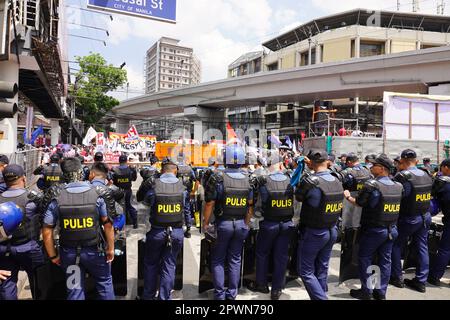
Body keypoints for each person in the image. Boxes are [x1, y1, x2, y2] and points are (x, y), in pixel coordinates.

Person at [42, 157, 115, 300]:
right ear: (82, 171)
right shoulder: (97, 193)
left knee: (74, 290)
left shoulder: (56, 196)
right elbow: (107, 224)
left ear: (63, 175)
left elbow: (46, 230)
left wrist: (53, 255)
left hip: (69, 254)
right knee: (104, 283)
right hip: (96, 252)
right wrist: (111, 248)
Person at [344, 154, 403, 300]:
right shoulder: (398, 186)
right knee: (385, 261)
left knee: (365, 258)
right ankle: (381, 292)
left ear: (381, 169)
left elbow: (360, 202)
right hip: (391, 229)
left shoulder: (372, 185)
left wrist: (347, 196)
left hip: (374, 230)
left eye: (374, 165)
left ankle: (367, 291)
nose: (371, 167)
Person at [203, 145, 254, 300]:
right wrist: (246, 223)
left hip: (223, 224)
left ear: (225, 160)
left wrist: (205, 224)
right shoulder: (249, 178)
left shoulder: (217, 177)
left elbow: (210, 203)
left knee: (218, 259)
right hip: (240, 224)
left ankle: (219, 294)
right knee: (235, 259)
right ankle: (232, 294)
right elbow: (250, 205)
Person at [295, 149, 344, 300]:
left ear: (310, 162)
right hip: (331, 230)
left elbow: (298, 196)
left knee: (306, 271)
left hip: (315, 232)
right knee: (322, 268)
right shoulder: (336, 179)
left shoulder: (311, 182)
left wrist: (302, 169)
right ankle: (321, 294)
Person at [139, 158, 191, 300]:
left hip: (156, 231)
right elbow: (187, 211)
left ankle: (148, 296)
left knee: (151, 264)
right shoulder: (183, 188)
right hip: (176, 232)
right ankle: (164, 297)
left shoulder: (154, 187)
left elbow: (144, 208)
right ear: (175, 171)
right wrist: (188, 229)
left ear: (162, 171)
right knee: (169, 265)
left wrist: (143, 231)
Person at [247, 155, 295, 300]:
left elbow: (259, 205)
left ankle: (261, 284)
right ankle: (277, 289)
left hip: (269, 223)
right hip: (287, 223)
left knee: (262, 253)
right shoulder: (290, 180)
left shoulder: (264, 182)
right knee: (281, 256)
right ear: (280, 165)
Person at [390, 149, 432, 293]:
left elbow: (398, 196)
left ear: (402, 161)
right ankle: (421, 281)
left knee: (395, 245)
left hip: (409, 217)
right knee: (422, 247)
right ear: (416, 161)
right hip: (425, 216)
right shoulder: (426, 174)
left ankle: (397, 277)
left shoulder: (402, 176)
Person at [0, 165, 44, 300]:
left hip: (3, 249)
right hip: (29, 247)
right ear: (23, 178)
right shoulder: (32, 198)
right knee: (40, 283)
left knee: (7, 287)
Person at [428, 159, 450, 286]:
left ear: (446, 167)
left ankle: (435, 277)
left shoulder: (443, 183)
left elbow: (433, 204)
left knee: (445, 250)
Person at [340, 153, 372, 230]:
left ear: (349, 162)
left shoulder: (348, 172)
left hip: (350, 198)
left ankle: (347, 237)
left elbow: (344, 184)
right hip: (363, 198)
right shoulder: (367, 170)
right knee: (358, 220)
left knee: (347, 221)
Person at [111, 155, 138, 229]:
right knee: (130, 206)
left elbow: (113, 181)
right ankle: (135, 223)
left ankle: (119, 225)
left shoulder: (114, 170)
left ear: (119, 161)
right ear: (126, 161)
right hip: (128, 190)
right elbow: (134, 179)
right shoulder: (130, 170)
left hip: (118, 192)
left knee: (118, 208)